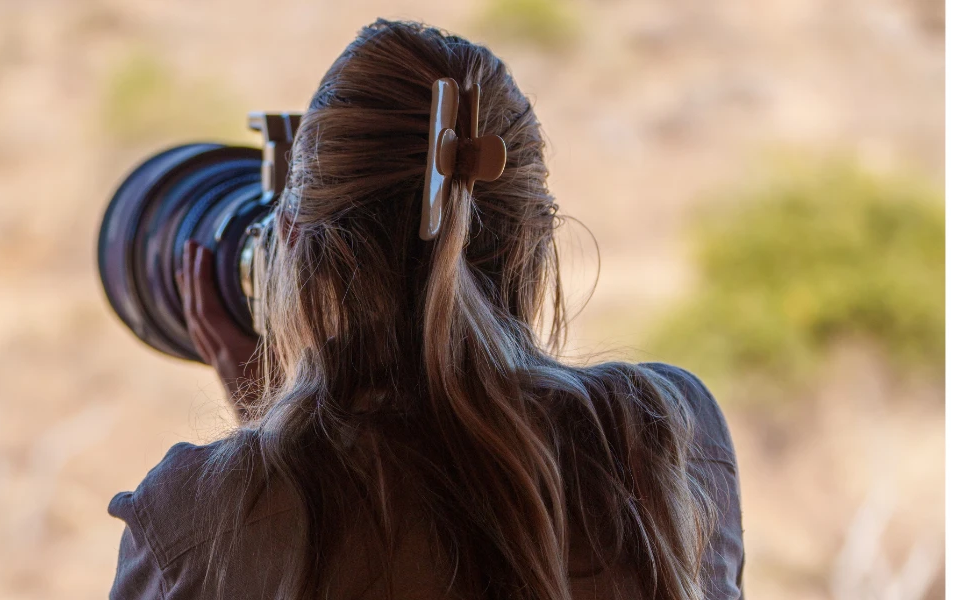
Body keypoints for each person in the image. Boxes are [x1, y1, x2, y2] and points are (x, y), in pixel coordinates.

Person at [109, 19, 744, 600]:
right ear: (535, 236)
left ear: (295, 241)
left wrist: (265, 421)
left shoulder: (193, 523)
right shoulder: (661, 441)